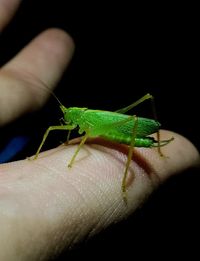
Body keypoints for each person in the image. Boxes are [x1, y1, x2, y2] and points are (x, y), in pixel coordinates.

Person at [0, 0, 199, 260]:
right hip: (103, 128)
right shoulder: (76, 117)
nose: (65, 117)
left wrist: (71, 157)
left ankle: (132, 176)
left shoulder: (85, 118)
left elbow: (83, 139)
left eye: (67, 114)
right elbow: (76, 134)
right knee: (54, 130)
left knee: (140, 104)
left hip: (117, 129)